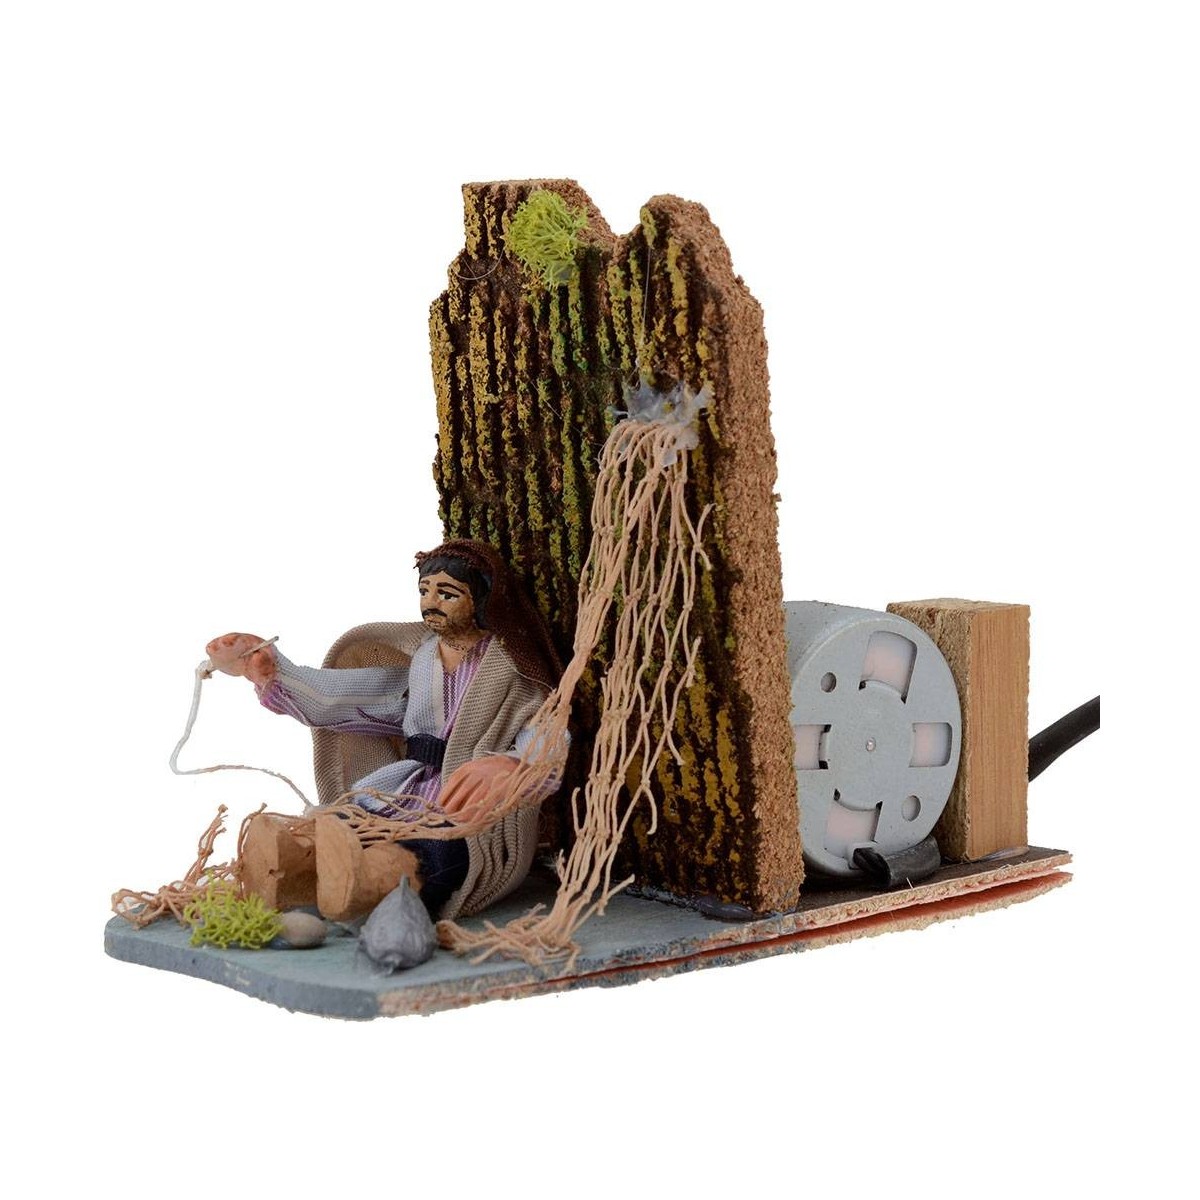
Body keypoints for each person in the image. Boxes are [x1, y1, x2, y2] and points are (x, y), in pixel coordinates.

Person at [206, 540, 564, 921]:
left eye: (447, 594)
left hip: (462, 809)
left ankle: (367, 883)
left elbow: (546, 729)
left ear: (482, 600)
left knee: (434, 851)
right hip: (405, 789)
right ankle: (291, 867)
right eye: (425, 591)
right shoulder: (423, 660)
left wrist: (514, 765)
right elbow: (350, 698)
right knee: (350, 820)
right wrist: (272, 672)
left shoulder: (511, 668)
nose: (431, 602)